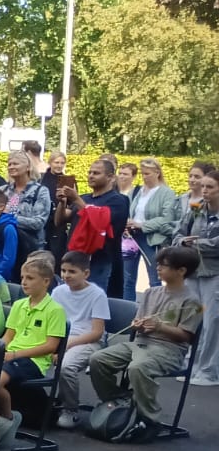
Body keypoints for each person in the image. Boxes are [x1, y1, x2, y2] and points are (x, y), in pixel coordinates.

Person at [88, 247, 205, 424]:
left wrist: (159, 327)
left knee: (138, 368)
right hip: (140, 344)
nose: (157, 268)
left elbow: (185, 336)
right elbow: (138, 322)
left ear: (181, 271)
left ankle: (149, 417)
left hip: (168, 350)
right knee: (98, 359)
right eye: (158, 264)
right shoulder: (151, 292)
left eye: (163, 266)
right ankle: (119, 400)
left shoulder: (192, 301)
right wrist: (138, 325)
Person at [0, 257, 67, 419]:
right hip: (11, 356)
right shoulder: (19, 305)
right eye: (22, 278)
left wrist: (14, 355)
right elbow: (8, 336)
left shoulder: (55, 310)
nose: (24, 282)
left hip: (34, 361)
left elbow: (50, 346)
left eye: (30, 278)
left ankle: (7, 419)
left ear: (46, 281)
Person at [49, 251, 111, 428]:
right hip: (61, 338)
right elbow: (52, 322)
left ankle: (70, 409)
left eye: (72, 271)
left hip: (87, 341)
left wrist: (66, 345)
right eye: (63, 271)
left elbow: (97, 332)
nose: (66, 275)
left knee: (66, 366)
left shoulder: (97, 294)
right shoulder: (59, 291)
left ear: (86, 273)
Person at [54, 157, 130, 295]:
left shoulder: (118, 200)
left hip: (102, 260)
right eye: (89, 172)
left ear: (111, 177)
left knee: (97, 301)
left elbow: (102, 221)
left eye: (96, 173)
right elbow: (60, 220)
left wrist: (76, 199)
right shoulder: (85, 198)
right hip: (76, 259)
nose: (90, 176)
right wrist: (62, 202)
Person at [174, 166, 219, 386]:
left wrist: (198, 243)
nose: (205, 190)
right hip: (193, 271)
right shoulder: (195, 206)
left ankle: (208, 371)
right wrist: (183, 241)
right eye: (203, 186)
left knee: (212, 322)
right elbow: (179, 231)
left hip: (215, 274)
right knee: (192, 318)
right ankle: (189, 364)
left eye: (210, 187)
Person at [123, 158, 180, 300]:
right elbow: (127, 209)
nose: (144, 177)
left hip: (151, 238)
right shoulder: (136, 191)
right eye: (142, 173)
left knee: (155, 278)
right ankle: (129, 310)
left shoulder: (166, 193)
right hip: (131, 237)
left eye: (147, 173)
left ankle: (155, 312)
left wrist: (142, 225)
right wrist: (126, 223)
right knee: (128, 279)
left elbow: (167, 218)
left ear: (157, 173)